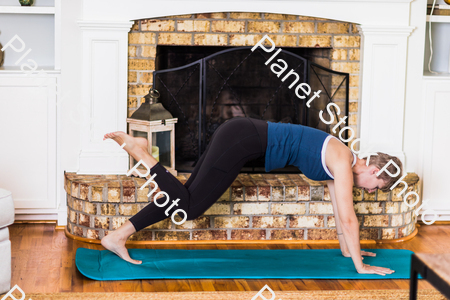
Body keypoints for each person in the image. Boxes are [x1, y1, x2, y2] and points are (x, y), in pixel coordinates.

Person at [101, 116, 402, 276]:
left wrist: (351, 253)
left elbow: (340, 214)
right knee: (190, 208)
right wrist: (361, 268)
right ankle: (140, 152)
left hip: (241, 134)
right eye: (377, 186)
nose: (371, 191)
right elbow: (351, 220)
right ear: (375, 172)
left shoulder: (342, 163)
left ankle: (118, 236)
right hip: (244, 139)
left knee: (182, 197)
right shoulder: (344, 162)